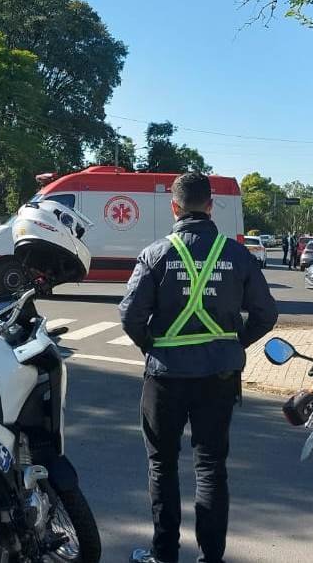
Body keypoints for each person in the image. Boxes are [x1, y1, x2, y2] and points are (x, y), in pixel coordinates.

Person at [119, 173, 278, 563]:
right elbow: (266, 314)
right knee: (210, 467)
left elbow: (130, 316)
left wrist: (151, 346)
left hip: (166, 377)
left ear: (174, 207)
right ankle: (211, 557)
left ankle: (164, 555)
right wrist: (233, 343)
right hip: (218, 378)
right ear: (210, 206)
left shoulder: (156, 254)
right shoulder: (238, 255)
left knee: (162, 465)